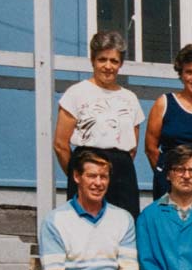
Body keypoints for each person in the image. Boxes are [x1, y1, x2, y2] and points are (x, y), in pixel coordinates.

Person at [54, 30, 144, 218]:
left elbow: (132, 147)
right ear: (92, 60)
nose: (108, 66)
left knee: (123, 225)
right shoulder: (77, 93)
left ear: (120, 64)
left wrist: (115, 169)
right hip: (87, 168)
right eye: (102, 59)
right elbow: (61, 145)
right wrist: (79, 175)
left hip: (121, 174)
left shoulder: (130, 98)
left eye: (114, 61)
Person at [144, 42, 192, 199]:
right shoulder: (164, 102)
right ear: (181, 74)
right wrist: (165, 173)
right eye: (189, 72)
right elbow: (150, 147)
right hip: (171, 181)